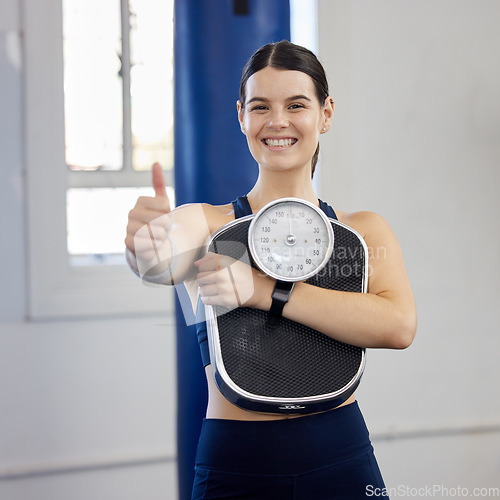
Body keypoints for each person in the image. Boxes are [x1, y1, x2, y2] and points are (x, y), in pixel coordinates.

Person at [125, 40, 417, 500]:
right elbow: (159, 262)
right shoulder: (205, 224)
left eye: (296, 105)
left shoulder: (362, 234)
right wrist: (144, 244)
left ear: (326, 113)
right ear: (242, 116)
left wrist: (266, 291)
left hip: (341, 456)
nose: (277, 121)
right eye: (260, 107)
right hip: (236, 465)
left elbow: (399, 326)